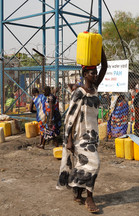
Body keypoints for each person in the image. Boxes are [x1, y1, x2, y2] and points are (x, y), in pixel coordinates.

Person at [57, 48, 107, 213]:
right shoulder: (79, 92)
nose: (94, 75)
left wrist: (100, 49)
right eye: (91, 73)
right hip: (79, 136)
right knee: (95, 163)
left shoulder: (95, 88)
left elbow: (105, 67)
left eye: (95, 73)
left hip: (92, 134)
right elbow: (70, 117)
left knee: (82, 164)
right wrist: (69, 140)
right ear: (85, 74)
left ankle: (77, 190)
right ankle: (90, 198)